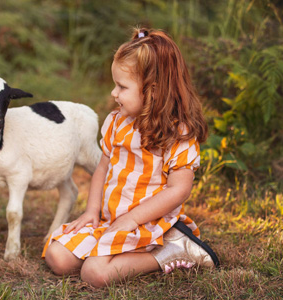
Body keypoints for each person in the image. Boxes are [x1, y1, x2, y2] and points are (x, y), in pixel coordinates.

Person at [42, 28, 215, 288]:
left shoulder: (178, 134)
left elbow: (179, 190)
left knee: (95, 274)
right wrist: (92, 211)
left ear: (153, 91)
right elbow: (102, 168)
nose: (114, 93)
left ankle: (174, 248)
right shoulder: (116, 122)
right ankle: (112, 250)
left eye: (122, 87)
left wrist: (133, 219)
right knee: (57, 257)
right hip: (112, 221)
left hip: (149, 224)